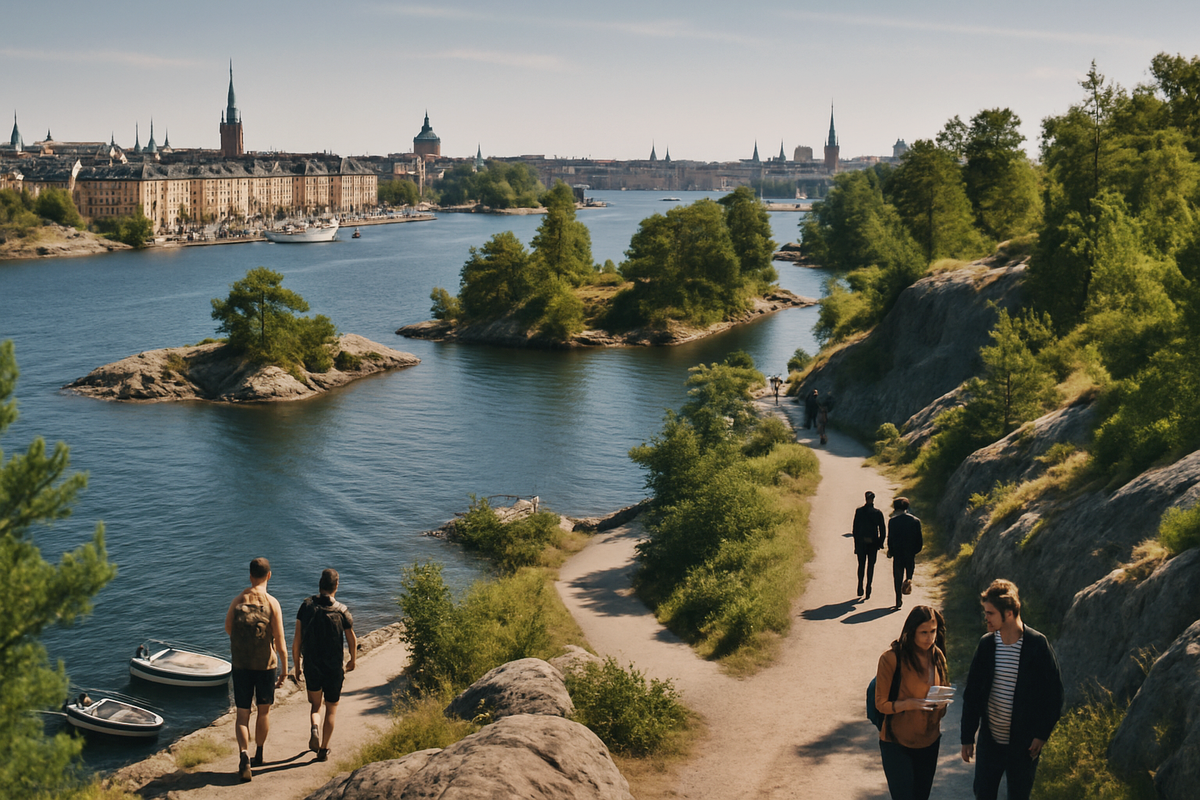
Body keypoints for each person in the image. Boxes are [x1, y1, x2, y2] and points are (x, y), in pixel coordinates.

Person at [960, 579, 1063, 800]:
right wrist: (967, 736)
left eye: (990, 613)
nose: (985, 617)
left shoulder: (1037, 645)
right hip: (991, 742)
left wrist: (1041, 735)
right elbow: (973, 694)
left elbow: (1053, 695)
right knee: (983, 794)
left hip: (1024, 745)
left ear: (1008, 613)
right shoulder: (987, 645)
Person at [875, 605, 950, 800]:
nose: (929, 637)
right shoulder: (891, 659)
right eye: (923, 632)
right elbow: (881, 703)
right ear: (911, 632)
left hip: (929, 742)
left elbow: (943, 703)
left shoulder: (938, 657)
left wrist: (941, 704)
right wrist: (907, 704)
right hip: (896, 743)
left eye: (933, 632)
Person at [225, 557, 288, 781]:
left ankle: (244, 755)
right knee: (264, 711)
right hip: (265, 666)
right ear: (269, 575)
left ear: (250, 575)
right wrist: (285, 669)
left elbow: (228, 627)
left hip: (241, 665)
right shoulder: (272, 603)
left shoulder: (238, 599)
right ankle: (259, 754)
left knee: (242, 716)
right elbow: (280, 642)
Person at [293, 568, 357, 763]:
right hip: (334, 668)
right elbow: (351, 639)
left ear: (320, 585)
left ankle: (314, 727)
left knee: (315, 706)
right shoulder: (342, 610)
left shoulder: (306, 606)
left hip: (312, 665)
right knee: (331, 709)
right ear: (336, 585)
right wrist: (353, 659)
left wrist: (297, 665)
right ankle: (323, 750)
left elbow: (296, 640)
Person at [887, 497, 922, 610]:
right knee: (909, 572)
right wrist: (915, 551)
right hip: (910, 553)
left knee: (897, 576)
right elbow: (919, 540)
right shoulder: (915, 521)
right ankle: (907, 582)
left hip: (898, 553)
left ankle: (898, 598)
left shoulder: (892, 521)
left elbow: (890, 539)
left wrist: (891, 551)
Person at [853, 491, 887, 600]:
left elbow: (855, 529)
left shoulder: (859, 511)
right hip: (873, 543)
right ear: (873, 499)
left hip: (861, 543)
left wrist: (856, 543)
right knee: (871, 566)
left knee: (861, 565)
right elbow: (882, 530)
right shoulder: (877, 513)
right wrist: (880, 543)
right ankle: (868, 587)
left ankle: (860, 584)